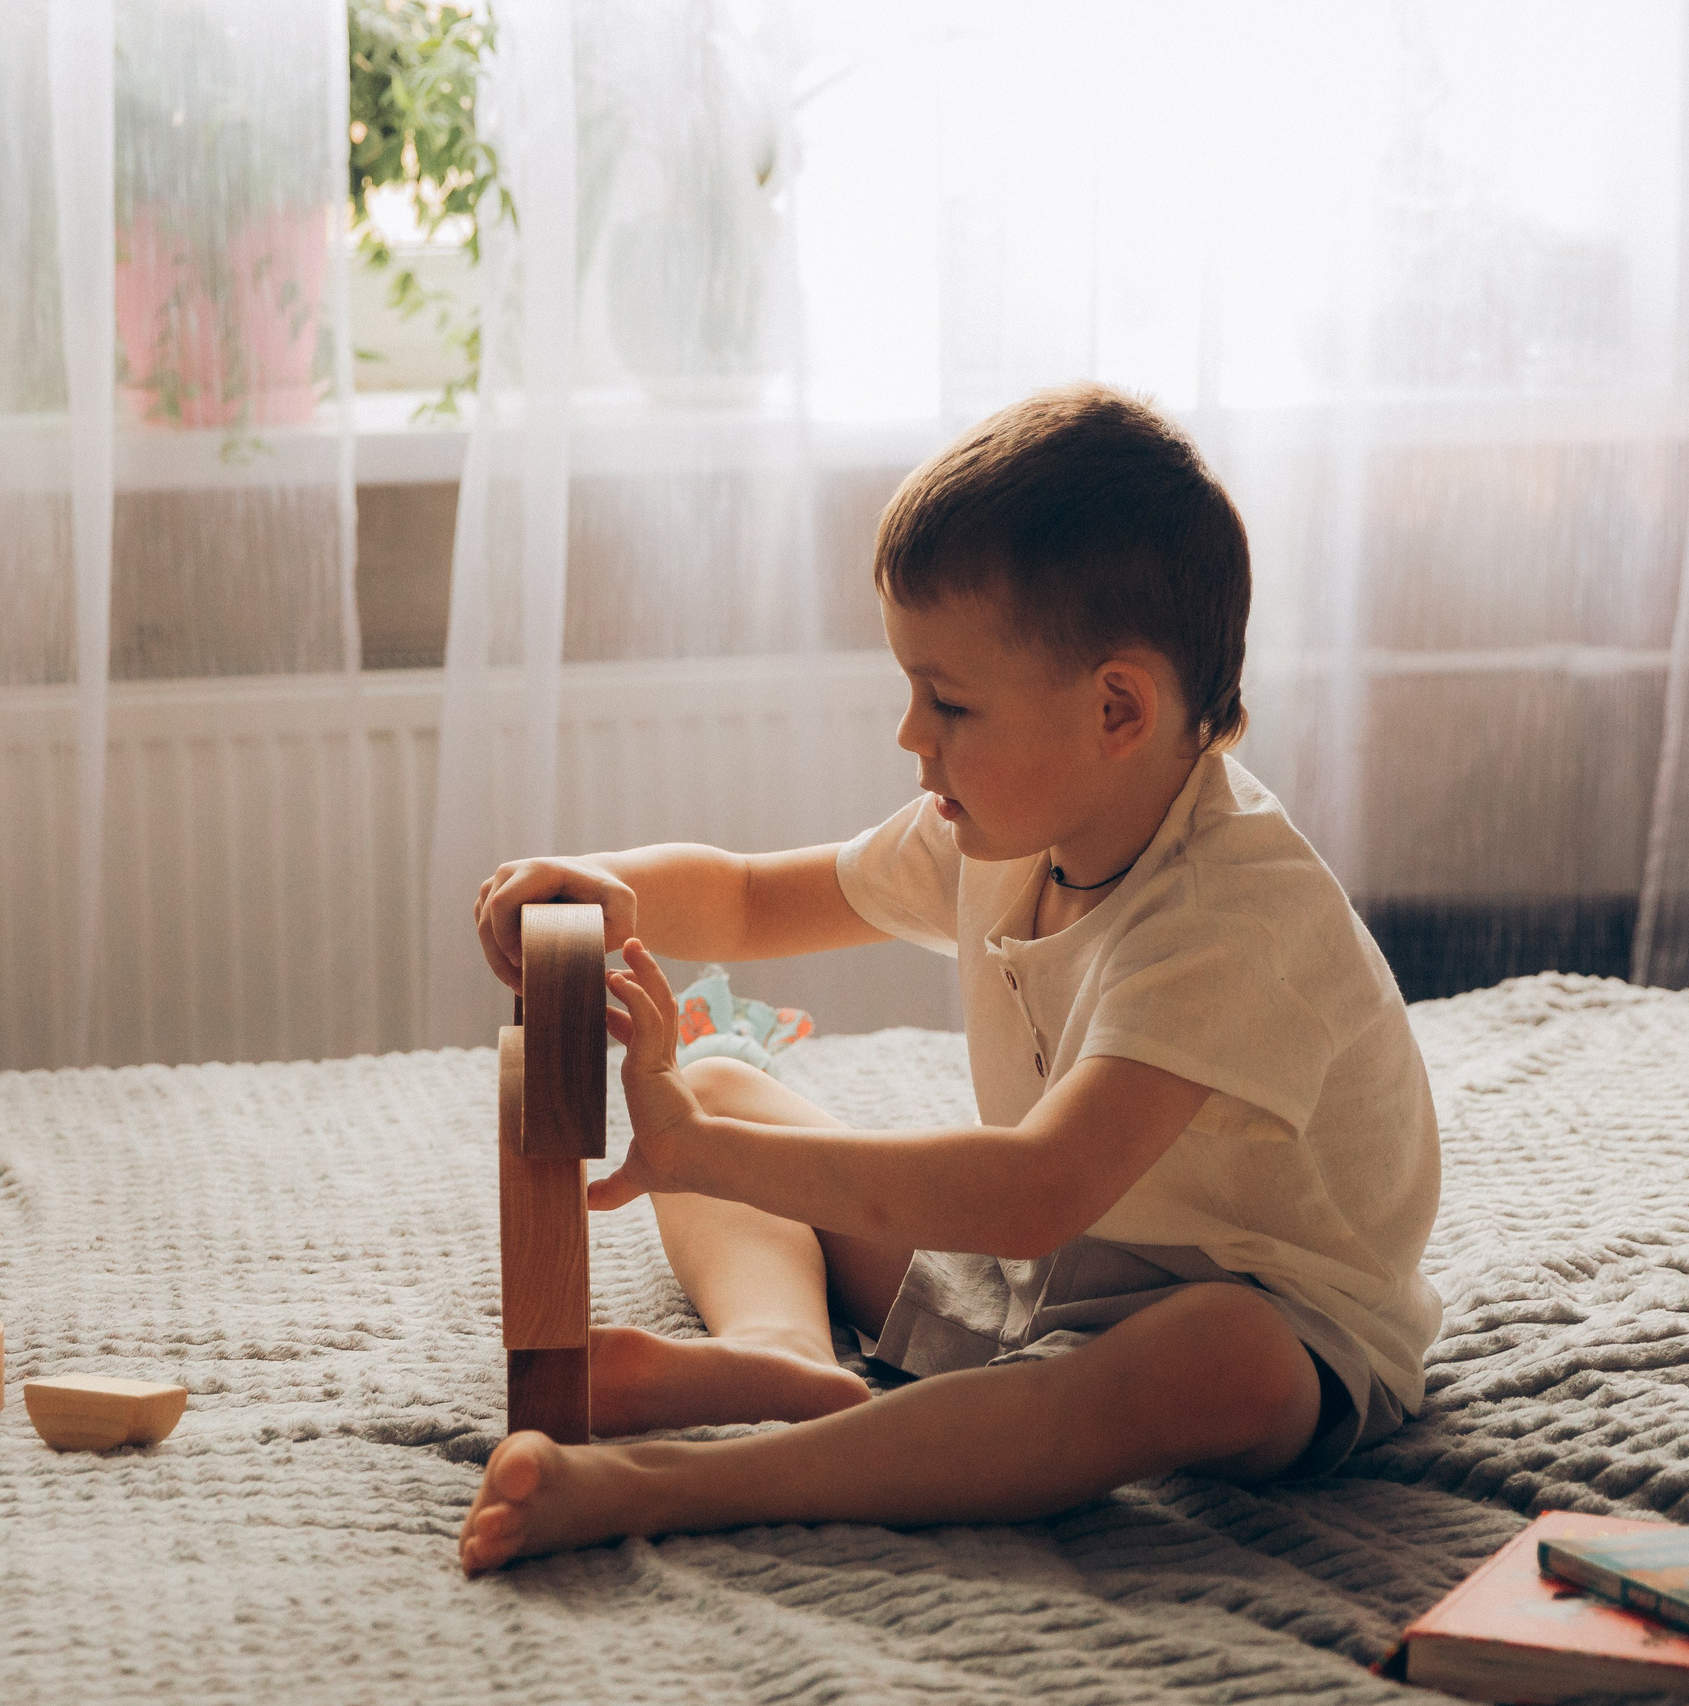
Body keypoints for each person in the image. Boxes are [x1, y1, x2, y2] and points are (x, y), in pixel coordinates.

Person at [458, 383, 1441, 1575]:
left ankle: (685, 1479)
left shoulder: (1236, 916)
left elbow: (1033, 1186)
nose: (909, 734)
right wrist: (606, 882)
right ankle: (785, 1355)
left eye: (949, 700)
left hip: (1268, 1316)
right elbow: (756, 897)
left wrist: (696, 1158)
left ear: (1116, 707)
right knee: (717, 1077)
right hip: (1043, 1275)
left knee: (1214, 1356)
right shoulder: (1007, 824)